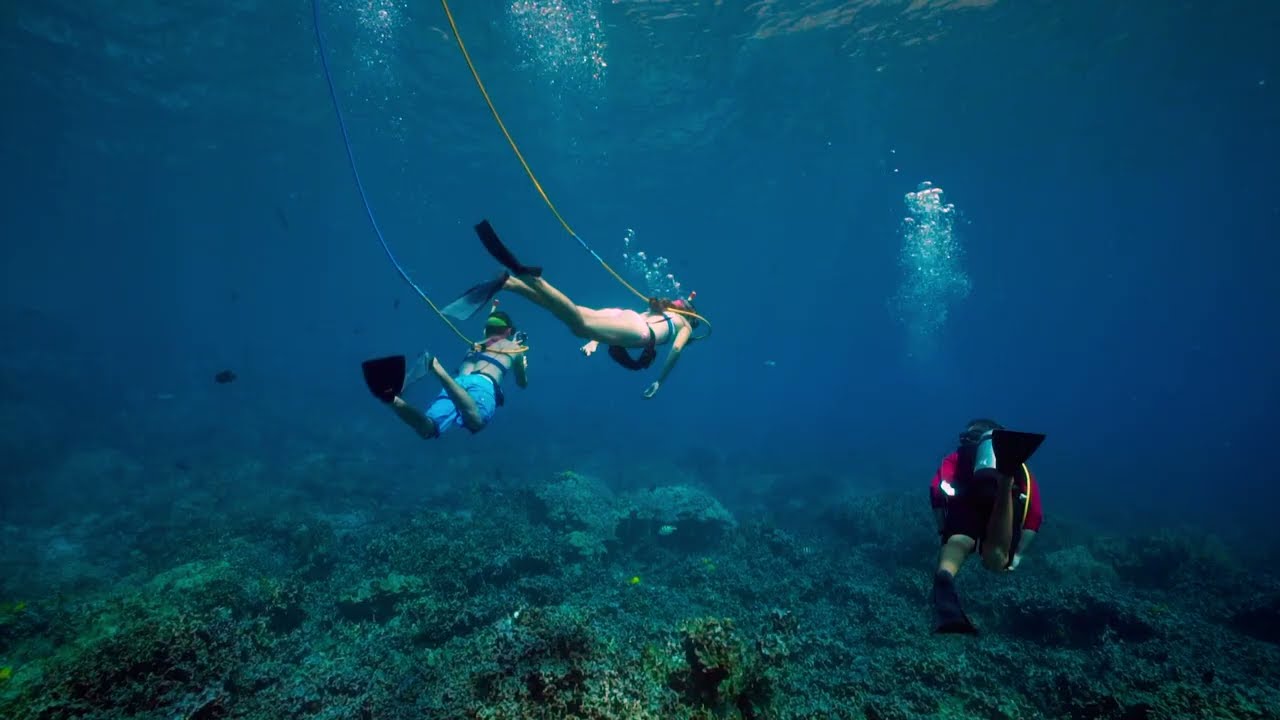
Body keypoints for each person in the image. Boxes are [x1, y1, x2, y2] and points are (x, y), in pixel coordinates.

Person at [473, 219, 699, 399]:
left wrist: (595, 340)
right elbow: (676, 350)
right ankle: (533, 279)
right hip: (639, 330)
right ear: (691, 317)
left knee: (567, 311)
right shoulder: (684, 324)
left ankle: (512, 284)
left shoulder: (665, 312)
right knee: (578, 325)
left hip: (624, 315)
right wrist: (659, 381)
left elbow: (623, 323)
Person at [929, 418, 1045, 634]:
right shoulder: (1021, 467)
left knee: (958, 542)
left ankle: (945, 578)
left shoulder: (957, 457)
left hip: (965, 501)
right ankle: (1005, 483)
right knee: (997, 559)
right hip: (1003, 504)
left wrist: (944, 530)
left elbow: (936, 491)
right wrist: (1018, 554)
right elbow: (1035, 515)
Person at [360, 309, 529, 439]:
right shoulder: (515, 348)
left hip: (459, 383)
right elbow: (522, 383)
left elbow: (489, 347)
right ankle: (436, 367)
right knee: (476, 421)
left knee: (427, 429)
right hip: (482, 385)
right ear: (508, 331)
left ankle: (390, 398)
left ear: (487, 330)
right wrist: (521, 360)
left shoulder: (475, 345)